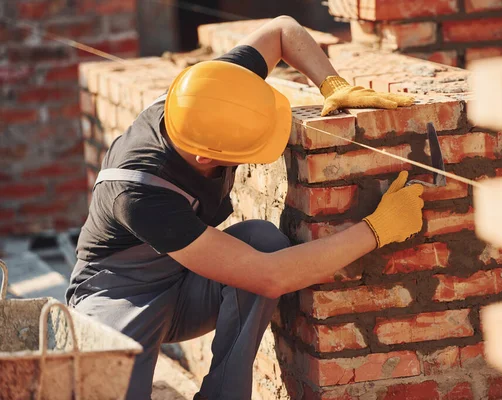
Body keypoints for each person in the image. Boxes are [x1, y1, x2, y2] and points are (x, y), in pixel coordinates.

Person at [66, 16, 424, 400]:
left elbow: (283, 29)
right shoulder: (139, 195)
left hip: (185, 283)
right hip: (117, 297)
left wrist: (332, 83)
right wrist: (376, 229)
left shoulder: (210, 93)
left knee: (262, 241)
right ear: (206, 155)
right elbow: (270, 278)